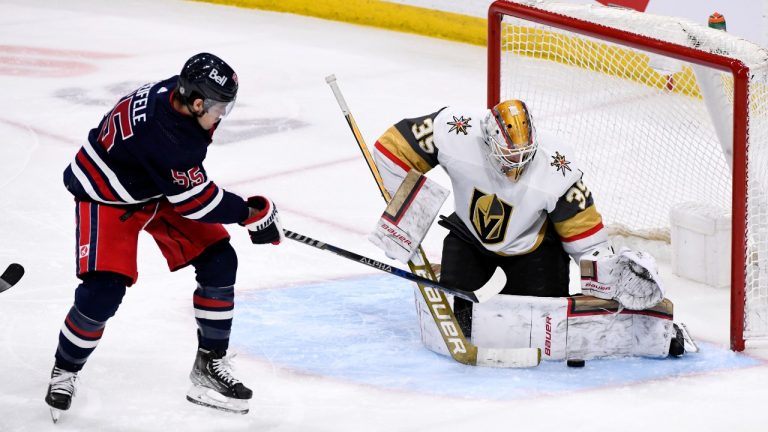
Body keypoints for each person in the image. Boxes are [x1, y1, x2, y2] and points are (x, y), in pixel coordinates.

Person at [45, 52, 283, 419]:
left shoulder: (177, 95)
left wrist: (246, 214)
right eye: (218, 107)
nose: (221, 116)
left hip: (152, 185)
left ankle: (209, 364)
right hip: (106, 193)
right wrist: (251, 214)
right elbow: (196, 202)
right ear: (197, 102)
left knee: (219, 259)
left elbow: (186, 189)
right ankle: (65, 369)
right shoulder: (169, 135)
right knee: (103, 291)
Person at [371, 100, 684, 358]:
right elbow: (391, 149)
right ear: (487, 140)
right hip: (469, 240)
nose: (515, 168)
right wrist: (406, 218)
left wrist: (616, 278)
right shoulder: (454, 130)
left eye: (523, 157)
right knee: (460, 316)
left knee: (546, 330)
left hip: (533, 251)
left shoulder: (557, 169)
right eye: (508, 158)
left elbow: (588, 245)